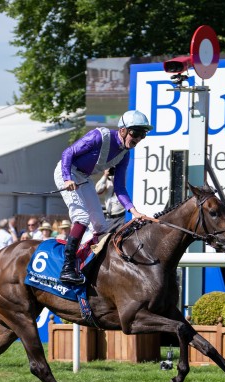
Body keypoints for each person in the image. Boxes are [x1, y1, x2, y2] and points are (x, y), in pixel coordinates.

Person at [53, 109, 151, 284]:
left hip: (83, 178)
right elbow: (68, 153)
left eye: (142, 135)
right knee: (82, 217)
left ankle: (96, 266)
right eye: (135, 133)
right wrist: (67, 178)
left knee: (101, 225)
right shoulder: (99, 136)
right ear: (123, 130)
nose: (138, 139)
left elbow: (120, 188)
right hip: (66, 172)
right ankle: (67, 268)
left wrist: (134, 212)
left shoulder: (125, 154)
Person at [96, 167, 128, 231]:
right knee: (105, 237)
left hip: (122, 216)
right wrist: (105, 175)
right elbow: (97, 190)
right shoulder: (107, 180)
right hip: (110, 217)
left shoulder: (125, 177)